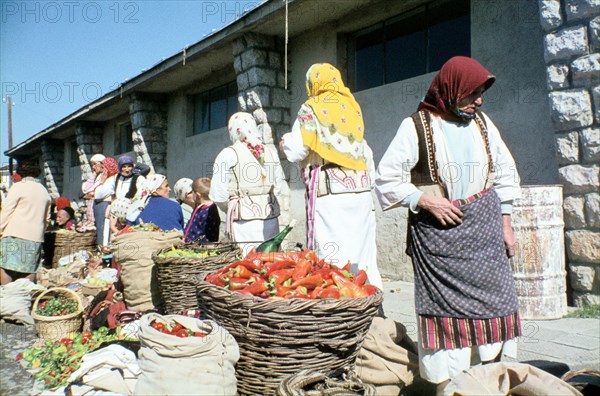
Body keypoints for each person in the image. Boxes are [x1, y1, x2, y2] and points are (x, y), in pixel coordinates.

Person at [374, 56, 522, 391]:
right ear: (452, 91)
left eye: (481, 93)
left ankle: (488, 383)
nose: (479, 100)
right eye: (471, 93)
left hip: (485, 237)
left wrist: (506, 224)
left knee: (496, 307)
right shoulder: (417, 126)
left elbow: (504, 173)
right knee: (446, 323)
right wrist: (423, 200)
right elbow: (386, 179)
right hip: (439, 243)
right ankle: (451, 388)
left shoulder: (483, 124)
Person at [281, 63, 382, 289]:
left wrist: (286, 142)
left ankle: (335, 306)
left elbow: (298, 150)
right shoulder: (353, 108)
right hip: (360, 193)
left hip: (330, 195)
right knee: (360, 253)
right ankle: (368, 301)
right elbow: (365, 152)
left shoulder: (311, 107)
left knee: (331, 255)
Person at [210, 112, 285, 252]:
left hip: (243, 220)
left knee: (247, 262)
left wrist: (233, 205)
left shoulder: (228, 154)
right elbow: (278, 186)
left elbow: (218, 193)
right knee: (271, 261)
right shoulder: (271, 153)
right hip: (270, 217)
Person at [0, 160, 51, 285]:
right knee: (29, 269)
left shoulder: (18, 187)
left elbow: (7, 211)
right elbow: (47, 219)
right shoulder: (44, 191)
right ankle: (26, 298)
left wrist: (0, 229)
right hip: (35, 237)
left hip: (15, 234)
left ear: (20, 173)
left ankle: (7, 296)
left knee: (6, 267)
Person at [89, 157, 118, 248]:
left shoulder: (111, 180)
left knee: (104, 232)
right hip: (100, 208)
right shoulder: (106, 178)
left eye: (104, 168)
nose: (102, 171)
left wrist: (102, 182)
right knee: (101, 231)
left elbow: (97, 194)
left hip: (104, 207)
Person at [184, 177, 220, 243]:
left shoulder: (209, 211)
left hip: (200, 247)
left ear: (197, 195)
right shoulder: (199, 207)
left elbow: (211, 234)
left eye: (192, 191)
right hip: (191, 244)